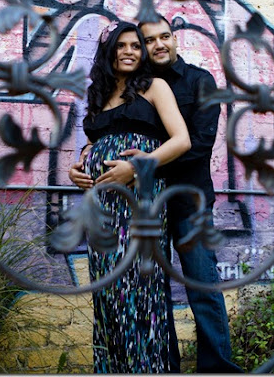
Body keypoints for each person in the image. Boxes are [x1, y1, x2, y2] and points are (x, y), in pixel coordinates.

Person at [70, 17, 242, 373]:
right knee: (143, 293)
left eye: (163, 37)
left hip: (185, 199)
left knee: (201, 286)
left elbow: (196, 143)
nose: (156, 45)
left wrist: (140, 168)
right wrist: (85, 162)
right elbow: (102, 136)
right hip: (121, 205)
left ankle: (217, 370)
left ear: (174, 39)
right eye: (147, 40)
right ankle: (159, 366)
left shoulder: (195, 81)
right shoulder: (118, 89)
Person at [78, 21, 191, 373]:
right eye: (121, 45)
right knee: (108, 293)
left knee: (141, 289)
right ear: (109, 51)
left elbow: (181, 140)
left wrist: (135, 168)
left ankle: (147, 368)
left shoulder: (154, 87)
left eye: (135, 46)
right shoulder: (99, 96)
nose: (129, 51)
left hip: (140, 199)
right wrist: (78, 167)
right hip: (102, 207)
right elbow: (95, 144)